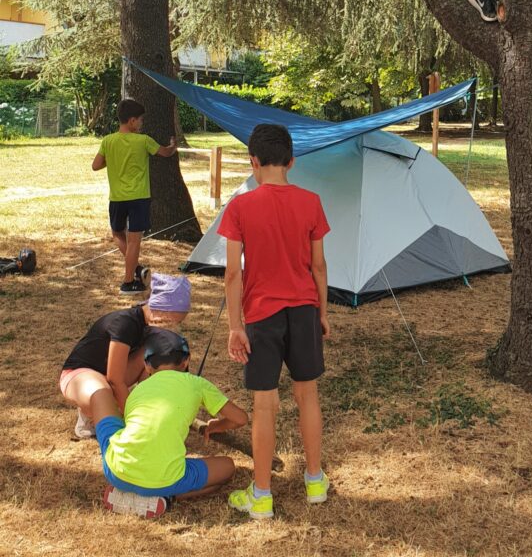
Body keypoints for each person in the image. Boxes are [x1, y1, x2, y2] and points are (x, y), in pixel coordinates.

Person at [219, 123, 331, 520]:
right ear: (291, 161)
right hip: (303, 310)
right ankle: (315, 481)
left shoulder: (240, 206)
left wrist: (236, 326)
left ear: (253, 162)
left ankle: (262, 494)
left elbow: (233, 274)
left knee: (265, 404)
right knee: (308, 396)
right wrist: (322, 312)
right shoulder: (312, 202)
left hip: (262, 316)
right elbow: (318, 266)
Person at [95, 328, 248, 518]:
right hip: (164, 480)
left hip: (117, 473)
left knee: (104, 411)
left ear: (147, 366)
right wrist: (215, 426)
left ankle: (131, 493)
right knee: (228, 467)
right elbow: (241, 418)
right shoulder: (198, 383)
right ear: (186, 361)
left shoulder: (138, 389)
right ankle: (165, 498)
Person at [60, 273, 192, 439]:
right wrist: (134, 420)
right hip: (79, 375)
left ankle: (124, 411)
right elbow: (115, 380)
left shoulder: (152, 327)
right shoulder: (125, 324)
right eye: (173, 321)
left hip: (108, 376)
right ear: (159, 310)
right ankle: (99, 423)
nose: (174, 327)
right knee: (102, 392)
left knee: (162, 358)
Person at [92, 98, 177, 293]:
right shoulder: (143, 140)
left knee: (117, 233)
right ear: (131, 121)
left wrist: (112, 159)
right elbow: (164, 153)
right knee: (134, 241)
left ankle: (136, 269)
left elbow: (95, 165)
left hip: (117, 198)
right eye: (140, 120)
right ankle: (128, 282)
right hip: (139, 198)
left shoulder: (108, 141)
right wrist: (172, 146)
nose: (141, 123)